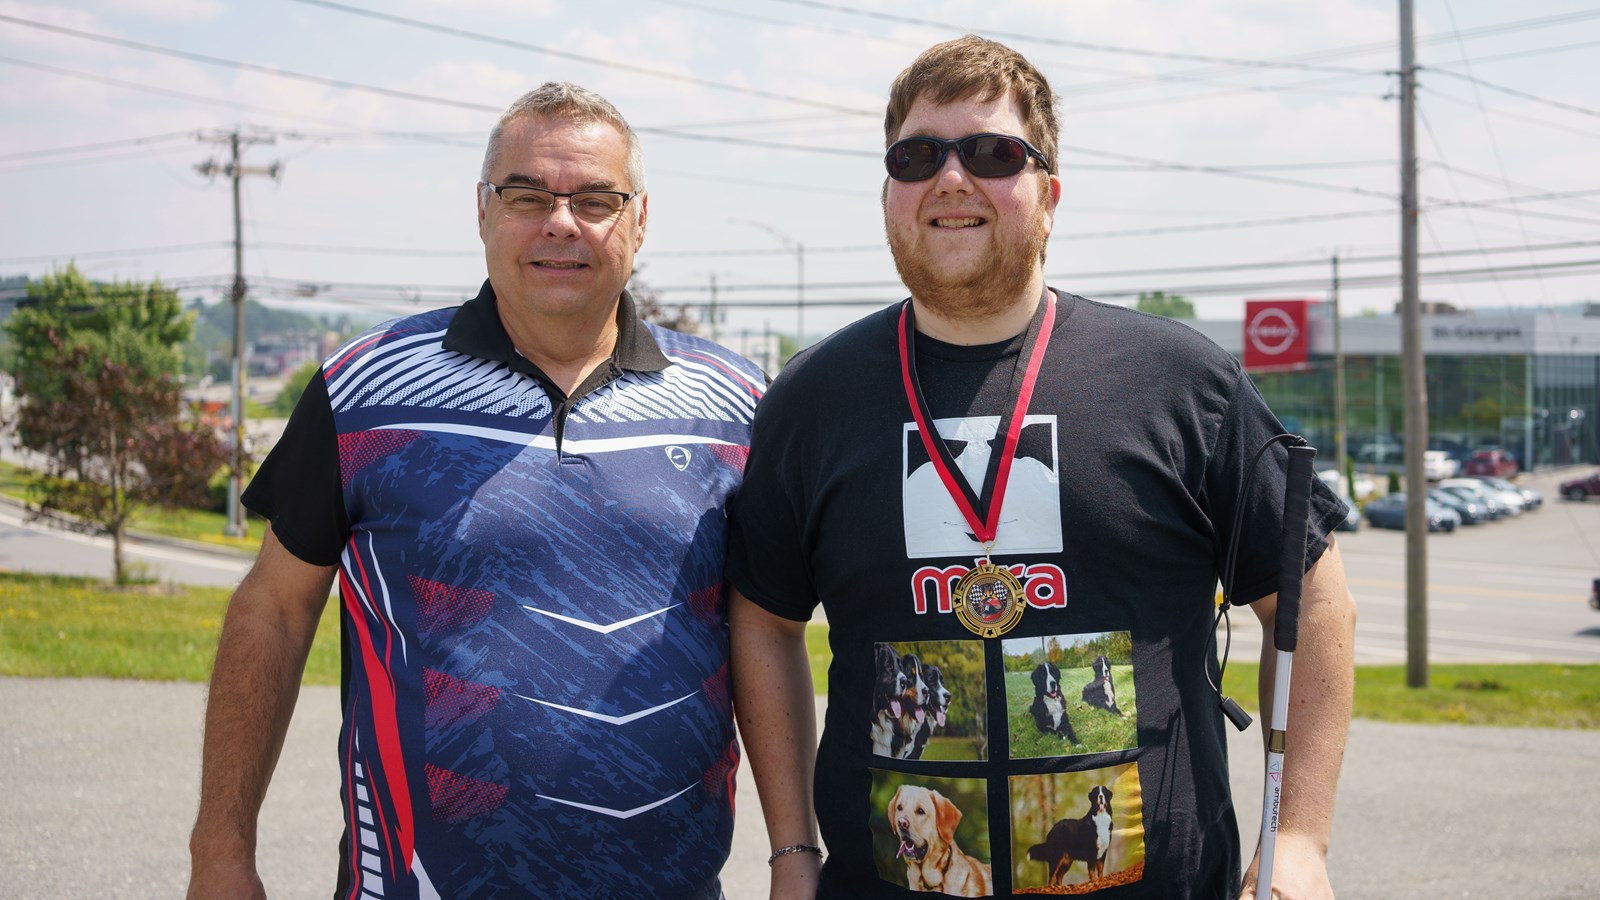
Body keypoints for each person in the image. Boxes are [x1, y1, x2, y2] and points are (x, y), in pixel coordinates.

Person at [728, 36, 1356, 900]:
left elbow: (1314, 598)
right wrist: (792, 853)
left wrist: (1299, 840)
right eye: (916, 156)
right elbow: (764, 622)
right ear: (888, 195)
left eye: (991, 153)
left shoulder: (1178, 382)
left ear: (1049, 195)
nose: (950, 178)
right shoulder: (811, 399)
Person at [187, 82, 765, 899]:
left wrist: (794, 856)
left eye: (595, 199)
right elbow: (273, 612)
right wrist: (220, 854)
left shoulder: (733, 405)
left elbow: (765, 640)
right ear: (484, 212)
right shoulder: (364, 390)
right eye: (528, 195)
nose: (561, 222)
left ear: (640, 220)